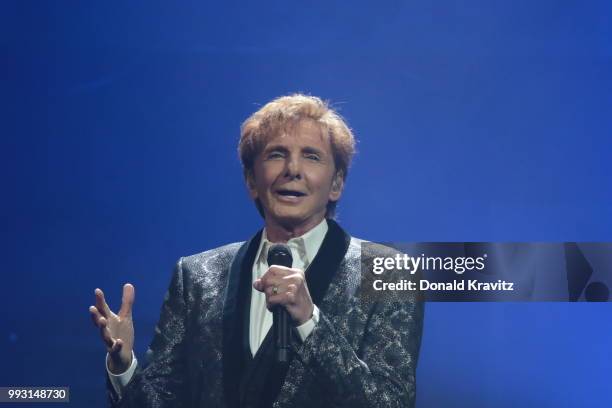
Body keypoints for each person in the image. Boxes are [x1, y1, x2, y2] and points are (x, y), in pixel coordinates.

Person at [88, 94, 424, 407]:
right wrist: (124, 366)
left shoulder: (390, 272)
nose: (292, 169)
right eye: (276, 154)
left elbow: (390, 402)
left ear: (336, 183)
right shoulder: (198, 276)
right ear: (251, 180)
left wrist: (310, 322)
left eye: (311, 156)